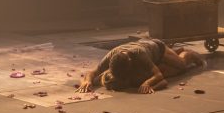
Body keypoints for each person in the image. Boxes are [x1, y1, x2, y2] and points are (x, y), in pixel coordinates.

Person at [76, 39, 205, 94]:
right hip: (146, 53)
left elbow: (158, 75)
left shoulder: (139, 55)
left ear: (130, 62)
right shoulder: (112, 56)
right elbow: (93, 72)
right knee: (170, 68)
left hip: (158, 49)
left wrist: (147, 83)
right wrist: (87, 81)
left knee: (181, 66)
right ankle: (175, 53)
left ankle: (187, 53)